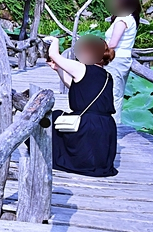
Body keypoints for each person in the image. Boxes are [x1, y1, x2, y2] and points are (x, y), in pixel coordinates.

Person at [45, 34, 118, 177]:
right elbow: (77, 87)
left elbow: (54, 54)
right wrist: (58, 69)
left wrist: (55, 41)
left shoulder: (81, 67)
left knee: (51, 118)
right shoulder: (107, 75)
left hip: (87, 126)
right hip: (105, 127)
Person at [104, 0, 141, 124]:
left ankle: (113, 127)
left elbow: (113, 43)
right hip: (123, 60)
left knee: (113, 95)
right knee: (116, 94)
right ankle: (113, 126)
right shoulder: (131, 18)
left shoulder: (122, 19)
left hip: (115, 60)